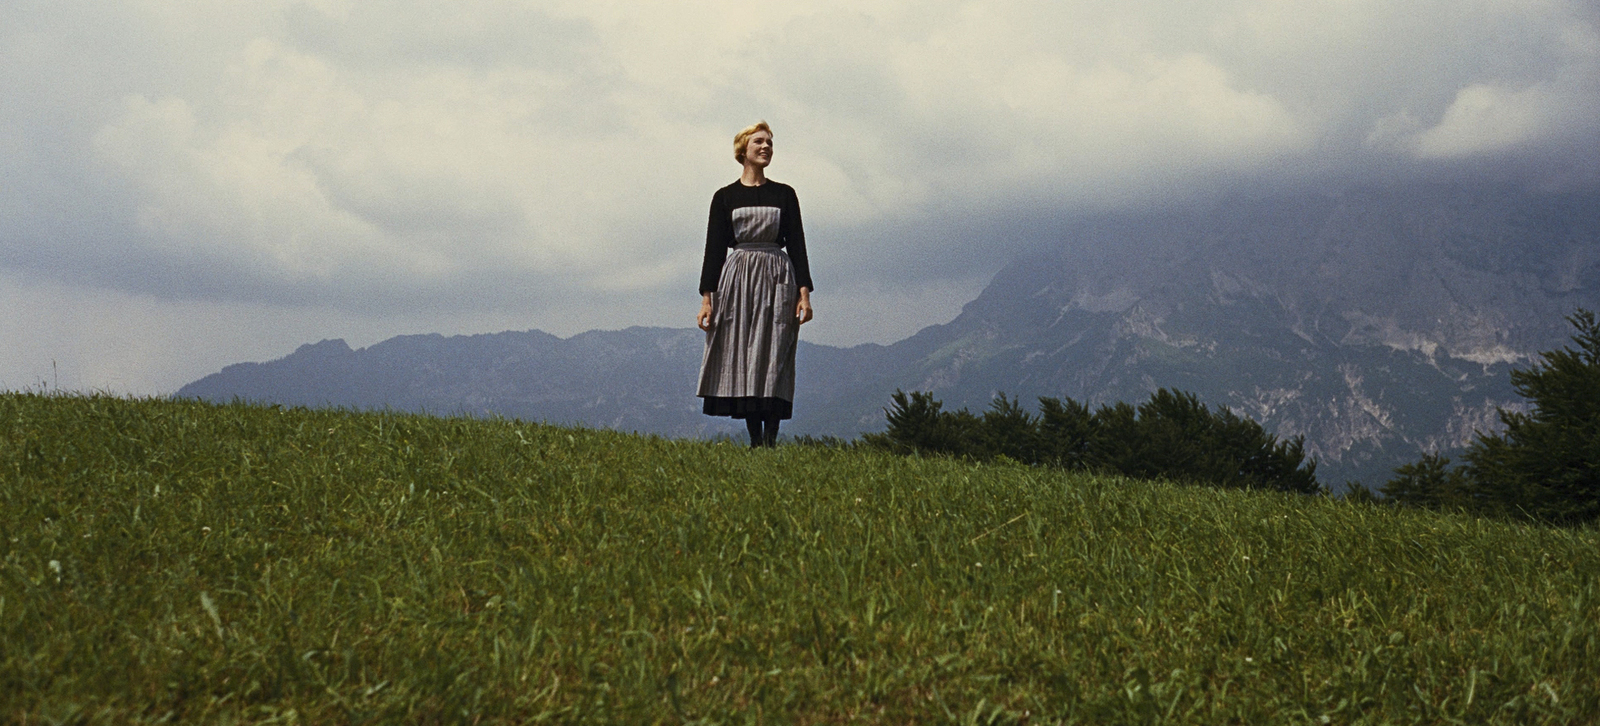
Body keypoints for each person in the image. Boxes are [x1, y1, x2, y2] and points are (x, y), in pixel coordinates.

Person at [696, 121, 814, 447]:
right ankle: (755, 440)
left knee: (774, 351)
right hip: (737, 281)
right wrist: (708, 299)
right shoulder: (724, 197)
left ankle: (771, 439)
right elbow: (714, 249)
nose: (766, 148)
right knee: (744, 356)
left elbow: (798, 245)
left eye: (770, 143)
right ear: (743, 150)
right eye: (759, 142)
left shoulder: (785, 194)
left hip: (778, 278)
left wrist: (804, 295)